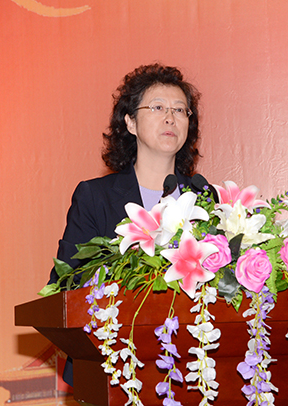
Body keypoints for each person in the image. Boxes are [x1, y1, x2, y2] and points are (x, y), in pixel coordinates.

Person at [48, 63, 202, 385]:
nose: (170, 118)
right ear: (130, 122)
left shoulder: (204, 197)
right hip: (113, 365)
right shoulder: (96, 197)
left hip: (192, 365)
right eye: (158, 107)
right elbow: (66, 284)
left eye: (179, 110)